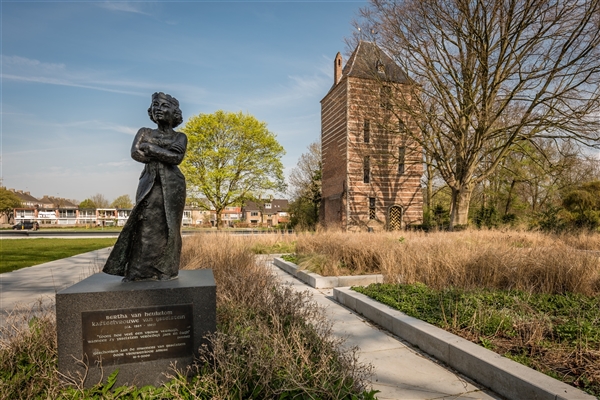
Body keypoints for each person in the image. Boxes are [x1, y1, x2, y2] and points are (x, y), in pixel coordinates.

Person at [103, 92, 187, 281]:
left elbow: (177, 158)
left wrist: (152, 149)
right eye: (155, 105)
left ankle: (166, 270)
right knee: (144, 222)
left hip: (173, 186)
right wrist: (162, 153)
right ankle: (138, 271)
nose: (158, 109)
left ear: (174, 112)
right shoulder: (145, 132)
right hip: (149, 184)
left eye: (164, 106)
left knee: (170, 226)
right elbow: (136, 153)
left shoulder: (180, 137)